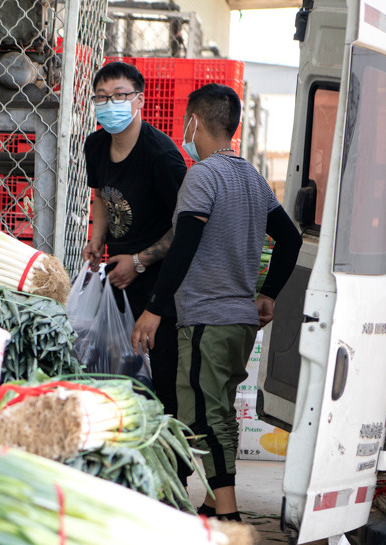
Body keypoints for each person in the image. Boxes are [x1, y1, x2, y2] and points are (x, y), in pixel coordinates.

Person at [131, 84, 302, 521]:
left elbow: (184, 243)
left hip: (206, 320)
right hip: (240, 322)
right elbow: (290, 238)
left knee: (206, 416)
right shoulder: (251, 178)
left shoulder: (202, 175)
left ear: (194, 122)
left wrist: (155, 307)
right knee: (220, 410)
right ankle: (210, 501)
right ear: (234, 126)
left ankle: (226, 514)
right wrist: (269, 293)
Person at [81, 62, 187, 417]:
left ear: (139, 99)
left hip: (159, 285)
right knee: (117, 376)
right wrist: (97, 238)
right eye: (102, 97)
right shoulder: (95, 145)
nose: (110, 104)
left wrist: (139, 261)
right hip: (117, 274)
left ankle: (175, 469)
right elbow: (101, 196)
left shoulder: (162, 157)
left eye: (120, 96)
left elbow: (185, 228)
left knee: (163, 387)